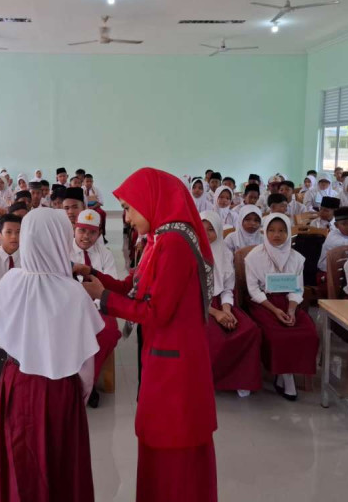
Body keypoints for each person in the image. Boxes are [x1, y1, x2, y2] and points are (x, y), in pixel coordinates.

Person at [79, 168, 217, 502]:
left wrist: (103, 297)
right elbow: (133, 287)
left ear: (151, 202)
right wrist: (94, 274)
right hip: (163, 354)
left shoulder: (174, 244)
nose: (125, 217)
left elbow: (156, 311)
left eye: (129, 208)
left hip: (176, 363)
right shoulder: (158, 239)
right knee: (159, 437)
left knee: (174, 440)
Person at [0, 209, 102, 502]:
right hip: (60, 389)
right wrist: (83, 390)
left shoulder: (10, 282)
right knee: (60, 463)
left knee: (18, 460)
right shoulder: (73, 292)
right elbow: (86, 363)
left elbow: (1, 332)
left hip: (17, 382)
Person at [244, 214, 319, 401]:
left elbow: (297, 289)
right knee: (278, 333)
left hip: (288, 303)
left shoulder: (296, 258)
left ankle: (288, 374)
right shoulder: (254, 257)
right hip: (263, 303)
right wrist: (275, 310)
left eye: (281, 230)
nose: (276, 235)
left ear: (288, 232)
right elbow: (253, 290)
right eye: (271, 230)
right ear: (265, 231)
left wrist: (291, 309)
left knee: (307, 331)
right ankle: (286, 378)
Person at [201, 210, 262, 397]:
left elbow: (228, 287)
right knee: (214, 336)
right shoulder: (189, 253)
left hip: (221, 302)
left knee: (249, 330)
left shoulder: (224, 253)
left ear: (218, 231)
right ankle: (209, 381)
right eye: (201, 229)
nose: (206, 234)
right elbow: (191, 294)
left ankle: (240, 379)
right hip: (199, 307)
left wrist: (226, 309)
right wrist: (216, 314)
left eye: (211, 230)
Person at [71, 209, 120, 408]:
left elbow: (111, 286)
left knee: (109, 332)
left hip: (98, 307)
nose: (86, 237)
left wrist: (95, 306)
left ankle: (88, 384)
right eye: (82, 230)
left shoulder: (105, 255)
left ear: (99, 234)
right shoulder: (63, 252)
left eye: (92, 232)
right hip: (70, 309)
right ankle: (70, 383)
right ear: (75, 229)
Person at [317, 206, 348, 275]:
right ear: (336, 225)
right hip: (327, 274)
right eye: (344, 224)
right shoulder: (333, 237)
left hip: (345, 270)